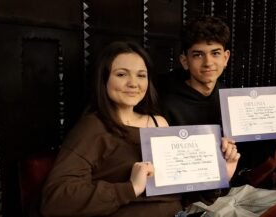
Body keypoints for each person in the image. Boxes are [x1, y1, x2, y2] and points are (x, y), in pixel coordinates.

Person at [40, 41, 240, 217]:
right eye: (121, 74)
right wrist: (130, 188)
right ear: (104, 80)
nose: (133, 83)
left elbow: (181, 196)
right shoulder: (93, 126)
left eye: (141, 75)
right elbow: (55, 199)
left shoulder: (158, 122)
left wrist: (221, 175)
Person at [160, 16, 276, 216]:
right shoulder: (166, 104)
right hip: (194, 200)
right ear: (185, 61)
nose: (208, 62)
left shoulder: (229, 97)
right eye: (198, 55)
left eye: (215, 53)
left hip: (231, 189)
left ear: (226, 57)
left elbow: (246, 157)